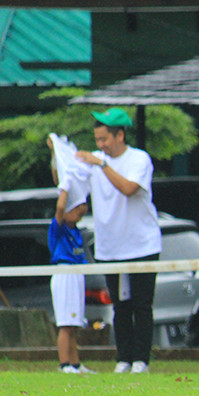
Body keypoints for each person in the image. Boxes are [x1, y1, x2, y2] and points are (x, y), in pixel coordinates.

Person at [75, 108, 161, 374]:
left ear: (120, 135)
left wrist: (102, 164)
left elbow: (128, 189)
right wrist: (59, 156)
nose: (100, 146)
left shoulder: (139, 159)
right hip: (111, 248)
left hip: (142, 245)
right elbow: (68, 185)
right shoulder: (95, 161)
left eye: (105, 140)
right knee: (120, 306)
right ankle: (123, 358)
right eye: (97, 140)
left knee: (141, 305)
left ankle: (141, 361)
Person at [47, 134, 95, 374]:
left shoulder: (77, 230)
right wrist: (65, 184)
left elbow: (82, 205)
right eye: (74, 210)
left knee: (75, 323)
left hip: (77, 273)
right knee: (65, 323)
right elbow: (60, 207)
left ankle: (75, 363)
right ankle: (64, 364)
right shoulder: (58, 229)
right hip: (64, 273)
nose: (78, 213)